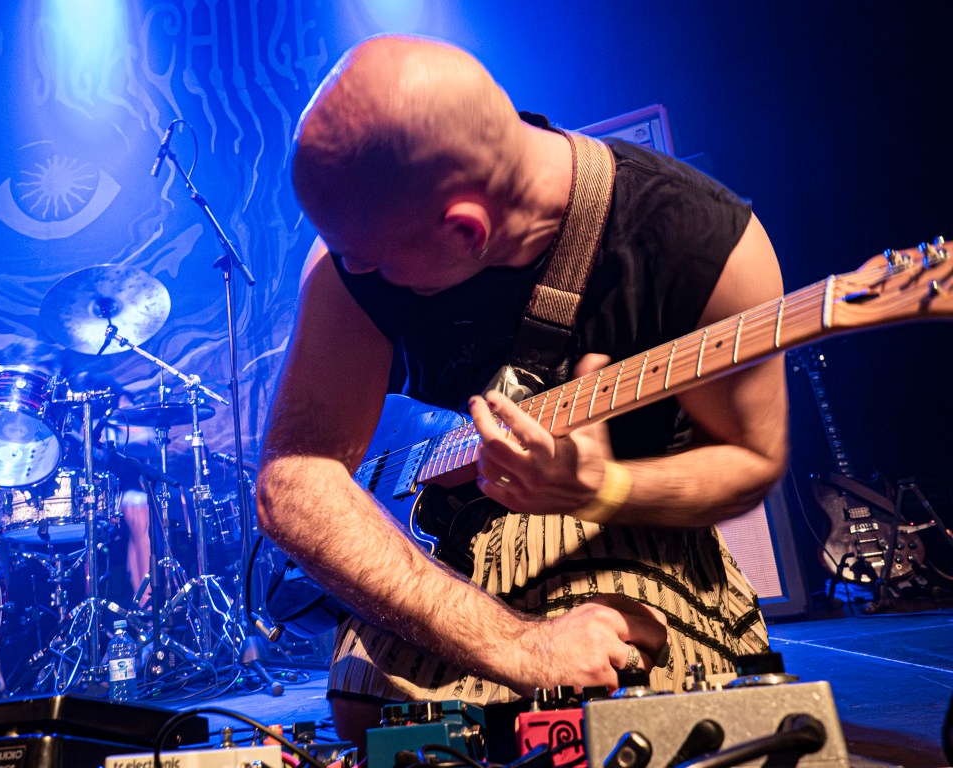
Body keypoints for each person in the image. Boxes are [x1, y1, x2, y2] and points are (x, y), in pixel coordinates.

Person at [257, 34, 788, 746]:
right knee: (367, 705)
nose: (353, 272)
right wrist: (516, 644)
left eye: (371, 261)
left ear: (465, 231)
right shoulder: (353, 254)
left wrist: (605, 490)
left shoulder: (703, 246)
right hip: (454, 532)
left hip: (632, 526)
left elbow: (753, 461)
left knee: (618, 698)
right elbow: (297, 476)